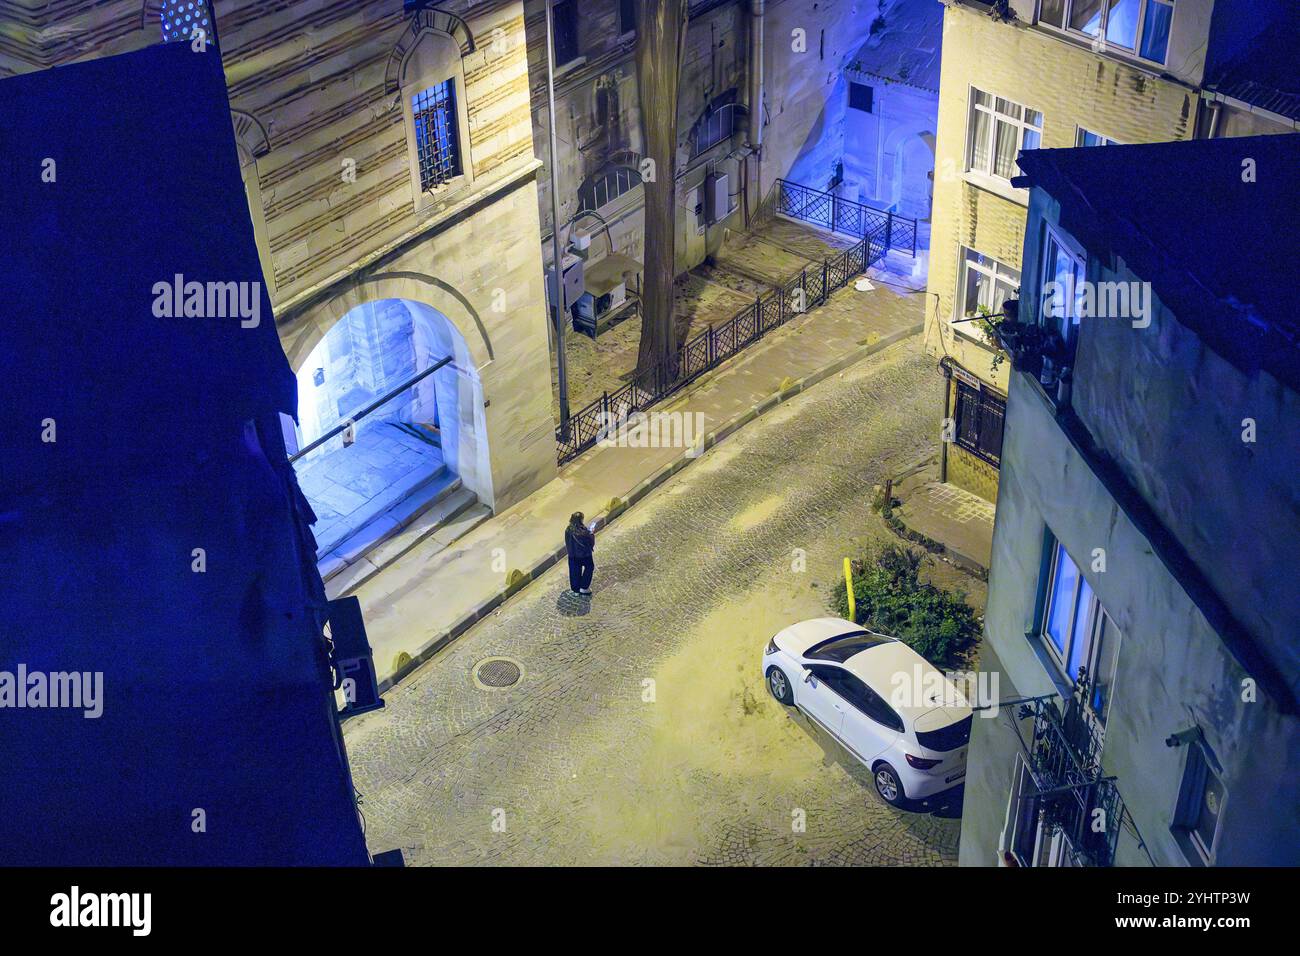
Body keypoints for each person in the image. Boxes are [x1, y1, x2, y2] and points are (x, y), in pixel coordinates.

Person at [564, 511, 595, 596]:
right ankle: (584, 587)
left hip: (572, 555)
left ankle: (575, 588)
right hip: (585, 555)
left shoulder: (568, 530)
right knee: (589, 567)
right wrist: (591, 533)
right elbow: (590, 542)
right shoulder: (584, 531)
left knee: (574, 571)